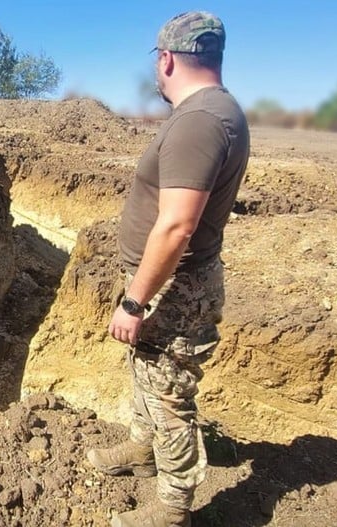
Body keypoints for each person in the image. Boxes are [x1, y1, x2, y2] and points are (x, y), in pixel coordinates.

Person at [85, 11, 250, 527]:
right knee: (148, 373)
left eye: (157, 64)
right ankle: (141, 450)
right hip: (170, 284)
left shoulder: (200, 121)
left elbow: (177, 225)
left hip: (173, 290)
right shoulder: (214, 113)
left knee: (169, 394)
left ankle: (174, 508)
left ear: (167, 59)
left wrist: (135, 301)